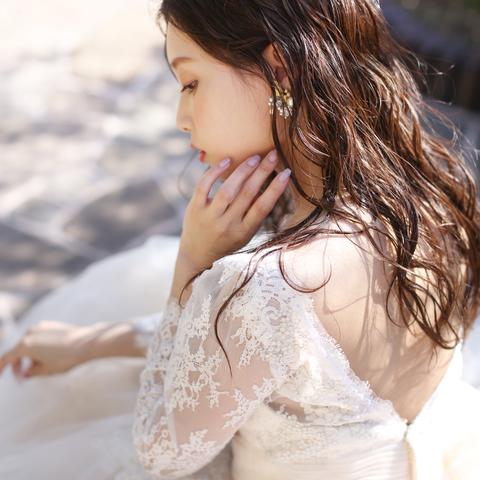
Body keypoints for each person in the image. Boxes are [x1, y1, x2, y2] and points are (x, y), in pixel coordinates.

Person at [1, 1, 480, 478]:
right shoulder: (432, 206)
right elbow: (262, 352)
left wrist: (192, 264)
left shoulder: (276, 284)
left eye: (191, 83)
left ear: (280, 70)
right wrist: (93, 344)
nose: (181, 117)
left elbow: (162, 451)